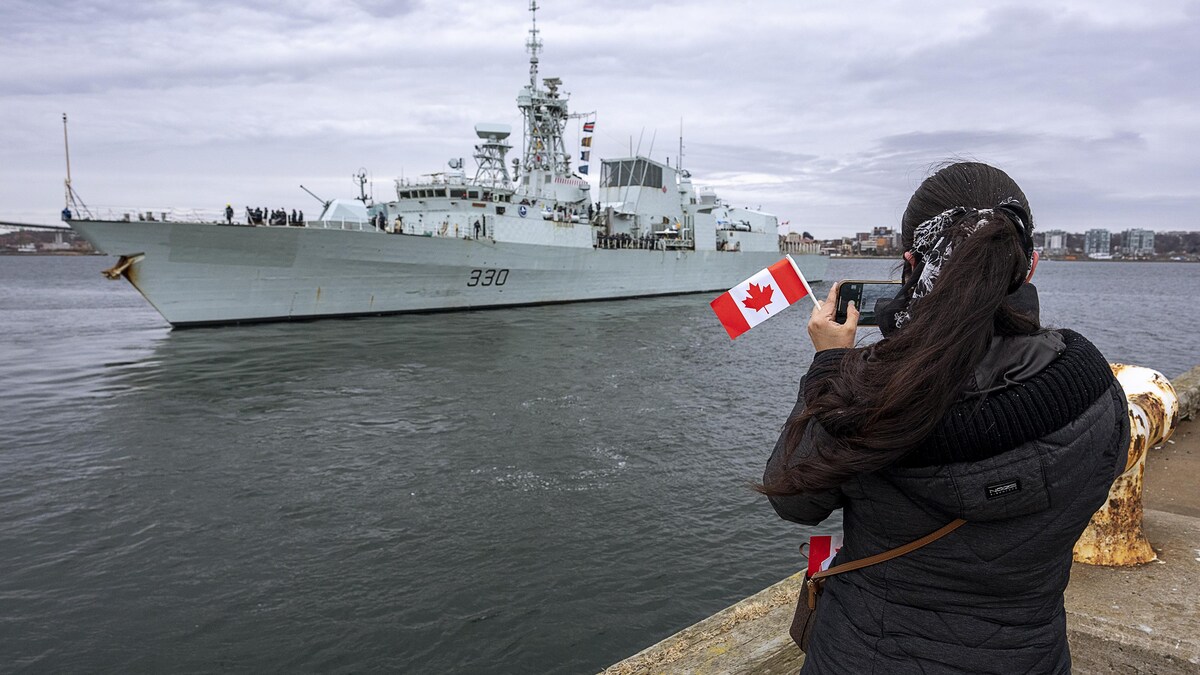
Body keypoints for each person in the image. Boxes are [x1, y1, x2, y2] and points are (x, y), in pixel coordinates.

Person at [761, 162, 1127, 674]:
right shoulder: (1090, 385)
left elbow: (792, 498)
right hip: (1029, 658)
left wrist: (828, 366)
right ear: (1029, 266)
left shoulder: (867, 394)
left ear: (911, 264)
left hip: (867, 655)